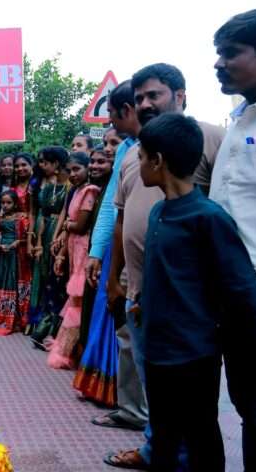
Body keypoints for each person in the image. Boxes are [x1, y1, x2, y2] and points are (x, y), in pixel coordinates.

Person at [136, 113, 256, 471]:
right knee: (163, 439)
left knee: (201, 438)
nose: (138, 164)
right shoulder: (158, 213)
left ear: (158, 161)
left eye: (140, 156)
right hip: (156, 351)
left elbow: (243, 288)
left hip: (194, 355)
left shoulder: (208, 217)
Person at [104, 64, 225, 470]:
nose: (144, 104)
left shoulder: (210, 139)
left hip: (190, 308)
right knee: (155, 388)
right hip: (141, 295)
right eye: (139, 98)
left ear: (180, 95)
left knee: (194, 410)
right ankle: (157, 451)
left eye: (153, 95)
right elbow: (121, 216)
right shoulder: (131, 154)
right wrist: (116, 280)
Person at [211, 5, 256, 470]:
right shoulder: (243, 121)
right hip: (235, 304)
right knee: (254, 417)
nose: (219, 63)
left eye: (231, 54)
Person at [87, 81, 147, 437]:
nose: (108, 120)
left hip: (161, 258)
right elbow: (114, 209)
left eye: (112, 112)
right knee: (126, 332)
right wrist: (98, 254)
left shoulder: (174, 140)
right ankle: (131, 411)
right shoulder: (126, 149)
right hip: (122, 256)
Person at [72, 146, 117, 405]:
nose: (97, 165)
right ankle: (91, 381)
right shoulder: (96, 192)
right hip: (94, 256)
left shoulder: (106, 191)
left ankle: (106, 388)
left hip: (108, 258)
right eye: (94, 161)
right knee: (90, 313)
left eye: (105, 160)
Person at [47, 152, 100, 369]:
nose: (73, 174)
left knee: (78, 301)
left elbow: (80, 225)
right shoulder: (76, 190)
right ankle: (68, 348)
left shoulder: (90, 191)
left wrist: (68, 224)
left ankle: (72, 351)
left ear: (88, 169)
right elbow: (72, 223)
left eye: (77, 169)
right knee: (73, 299)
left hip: (84, 248)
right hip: (73, 248)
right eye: (70, 170)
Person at [28, 146, 70, 346]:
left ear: (57, 164)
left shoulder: (71, 186)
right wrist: (36, 242)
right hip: (45, 233)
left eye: (46, 162)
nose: (41, 166)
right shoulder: (47, 186)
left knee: (57, 281)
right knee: (43, 277)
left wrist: (58, 238)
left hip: (61, 236)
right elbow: (42, 214)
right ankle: (39, 325)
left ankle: (53, 330)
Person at [0, 190, 30, 335]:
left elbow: (26, 239)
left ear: (15, 204)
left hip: (15, 255)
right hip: (2, 254)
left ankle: (13, 318)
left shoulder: (22, 219)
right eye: (3, 202)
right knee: (0, 282)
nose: (5, 205)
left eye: (9, 203)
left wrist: (17, 242)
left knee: (12, 283)